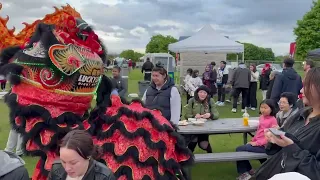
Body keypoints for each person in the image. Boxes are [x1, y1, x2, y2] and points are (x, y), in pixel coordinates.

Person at [253, 67, 320, 180]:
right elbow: (283, 145)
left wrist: (291, 147)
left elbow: (317, 171)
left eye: (306, 86)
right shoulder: (301, 114)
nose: (301, 91)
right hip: (273, 171)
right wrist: (275, 139)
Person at [235, 99, 278, 180]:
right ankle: (250, 170)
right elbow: (259, 131)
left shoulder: (273, 120)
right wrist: (253, 140)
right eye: (261, 107)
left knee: (239, 149)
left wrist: (257, 143)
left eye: (265, 108)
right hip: (258, 144)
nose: (263, 110)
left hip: (265, 146)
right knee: (242, 149)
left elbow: (271, 137)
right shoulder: (261, 117)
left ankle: (244, 173)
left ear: (271, 109)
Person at [48, 130, 116, 180]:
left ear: (88, 156)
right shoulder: (56, 168)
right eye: (63, 161)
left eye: (73, 163)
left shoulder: (105, 177)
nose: (67, 168)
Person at [185, 85, 219, 153]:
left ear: (207, 94)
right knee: (193, 141)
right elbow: (186, 115)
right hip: (193, 126)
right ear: (197, 93)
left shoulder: (210, 100)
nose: (202, 94)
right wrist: (194, 116)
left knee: (203, 145)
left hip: (205, 127)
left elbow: (216, 114)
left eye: (205, 93)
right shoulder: (191, 100)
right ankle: (188, 158)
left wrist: (210, 115)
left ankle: (210, 154)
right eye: (201, 92)